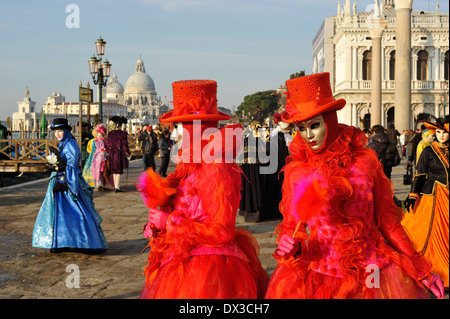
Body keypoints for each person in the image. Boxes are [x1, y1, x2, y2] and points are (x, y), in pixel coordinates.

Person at [264, 72, 444, 299]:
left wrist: (420, 269)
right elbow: (292, 228)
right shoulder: (299, 172)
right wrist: (291, 245)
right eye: (301, 128)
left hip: (372, 272)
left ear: (329, 120)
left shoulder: (365, 163)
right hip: (322, 273)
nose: (308, 135)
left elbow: (389, 224)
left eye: (315, 125)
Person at [136, 79, 268, 299]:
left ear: (196, 128)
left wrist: (169, 222)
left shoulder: (216, 169)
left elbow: (222, 232)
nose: (175, 135)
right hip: (180, 260)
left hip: (210, 271)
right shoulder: (187, 167)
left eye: (179, 127)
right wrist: (157, 226)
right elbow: (188, 212)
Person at [32, 118, 107, 253]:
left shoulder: (70, 144)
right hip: (60, 183)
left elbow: (72, 166)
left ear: (66, 131)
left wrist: (71, 185)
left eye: (60, 131)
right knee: (61, 214)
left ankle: (85, 243)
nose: (57, 134)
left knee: (76, 211)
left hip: (68, 183)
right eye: (55, 131)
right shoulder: (64, 143)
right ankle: (62, 242)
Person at [402, 117, 449, 289]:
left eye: (444, 132)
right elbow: (420, 174)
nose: (441, 136)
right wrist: (413, 194)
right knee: (431, 234)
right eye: (438, 132)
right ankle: (437, 270)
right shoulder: (429, 151)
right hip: (433, 197)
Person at [107, 116, 131, 192]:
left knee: (114, 170)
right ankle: (117, 187)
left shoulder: (110, 133)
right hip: (119, 153)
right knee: (119, 170)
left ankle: (116, 187)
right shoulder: (122, 134)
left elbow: (108, 144)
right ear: (120, 125)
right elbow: (124, 145)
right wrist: (127, 153)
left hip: (111, 153)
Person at [91, 124, 109, 191]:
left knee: (97, 169)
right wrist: (105, 156)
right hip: (101, 155)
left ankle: (97, 184)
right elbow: (102, 149)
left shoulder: (96, 140)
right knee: (100, 170)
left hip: (96, 155)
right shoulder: (102, 140)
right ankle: (99, 184)